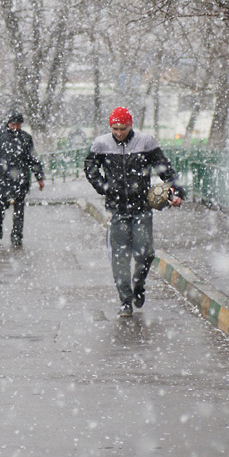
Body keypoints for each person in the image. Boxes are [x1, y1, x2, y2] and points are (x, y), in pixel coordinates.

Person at [83, 106, 184, 318]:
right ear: (110, 126)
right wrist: (104, 187)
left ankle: (138, 284)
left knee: (146, 254)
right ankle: (125, 301)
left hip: (142, 208)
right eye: (115, 128)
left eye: (123, 128)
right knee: (119, 257)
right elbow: (90, 168)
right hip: (116, 209)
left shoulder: (146, 142)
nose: (119, 132)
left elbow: (164, 168)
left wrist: (176, 191)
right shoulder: (101, 144)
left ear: (131, 125)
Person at [0, 110, 45, 248]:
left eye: (18, 124)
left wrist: (39, 177)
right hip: (1, 179)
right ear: (8, 123)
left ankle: (17, 236)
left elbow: (32, 158)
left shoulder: (25, 138)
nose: (16, 127)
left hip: (20, 179)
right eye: (13, 124)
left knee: (19, 209)